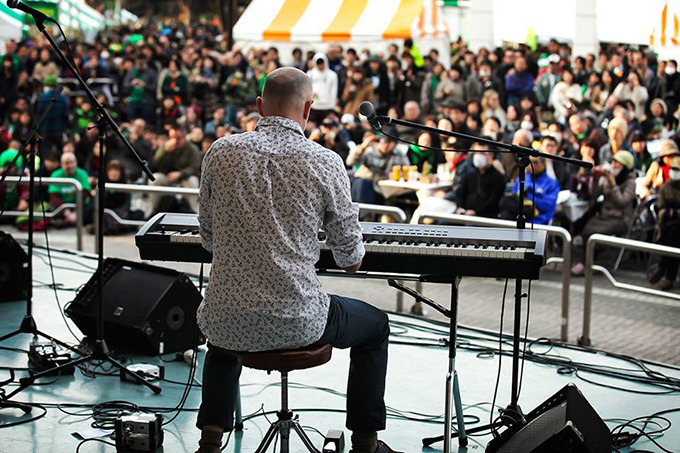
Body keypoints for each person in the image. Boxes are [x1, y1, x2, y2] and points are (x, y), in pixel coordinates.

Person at [196, 67, 398, 453]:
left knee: (225, 324)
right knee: (376, 326)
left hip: (226, 316)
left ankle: (210, 440)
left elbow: (208, 239)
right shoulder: (324, 162)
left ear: (259, 106)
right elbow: (350, 260)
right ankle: (367, 444)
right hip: (298, 321)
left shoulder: (219, 153)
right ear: (308, 108)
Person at [571, 151, 637, 276]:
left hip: (620, 218)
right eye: (614, 162)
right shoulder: (608, 177)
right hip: (605, 216)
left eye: (618, 164)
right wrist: (595, 179)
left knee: (595, 233)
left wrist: (613, 185)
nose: (614, 165)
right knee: (587, 228)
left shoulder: (630, 182)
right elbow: (594, 194)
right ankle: (586, 261)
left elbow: (622, 201)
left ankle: (586, 263)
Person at [149, 127, 202, 213]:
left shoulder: (192, 149)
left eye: (178, 138)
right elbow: (155, 164)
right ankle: (152, 210)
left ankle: (195, 211)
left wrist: (180, 174)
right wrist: (164, 151)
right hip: (167, 177)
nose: (175, 141)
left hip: (185, 178)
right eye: (172, 137)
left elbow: (194, 167)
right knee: (155, 179)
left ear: (184, 137)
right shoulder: (165, 147)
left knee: (193, 181)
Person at [500, 155, 560, 226]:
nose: (531, 165)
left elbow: (548, 205)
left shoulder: (551, 183)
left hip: (537, 219)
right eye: (529, 162)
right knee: (505, 204)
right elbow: (514, 195)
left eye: (535, 162)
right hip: (518, 215)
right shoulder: (522, 178)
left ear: (543, 165)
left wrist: (528, 196)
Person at [649, 157, 680, 290]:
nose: (675, 172)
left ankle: (663, 267)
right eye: (673, 169)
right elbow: (661, 209)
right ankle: (669, 276)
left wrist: (674, 212)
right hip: (668, 224)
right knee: (672, 233)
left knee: (675, 232)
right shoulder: (666, 187)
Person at [454, 144, 506, 218]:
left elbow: (493, 201)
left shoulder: (498, 178)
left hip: (484, 217)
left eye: (482, 153)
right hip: (465, 213)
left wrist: (475, 212)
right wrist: (460, 207)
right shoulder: (469, 175)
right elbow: (461, 193)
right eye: (476, 153)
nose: (478, 156)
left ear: (491, 156)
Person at [48, 152, 92, 226]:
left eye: (72, 162)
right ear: (62, 164)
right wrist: (65, 210)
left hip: (80, 204)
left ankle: (68, 222)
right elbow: (54, 195)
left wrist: (76, 212)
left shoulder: (82, 173)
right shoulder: (55, 175)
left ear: (76, 163)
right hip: (62, 205)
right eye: (67, 163)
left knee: (90, 209)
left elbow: (85, 193)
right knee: (52, 209)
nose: (70, 166)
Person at [307, 53, 338, 124]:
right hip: (314, 107)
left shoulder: (332, 75)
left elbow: (334, 92)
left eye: (322, 63)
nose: (321, 65)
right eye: (318, 63)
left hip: (327, 107)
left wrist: (333, 107)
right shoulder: (310, 74)